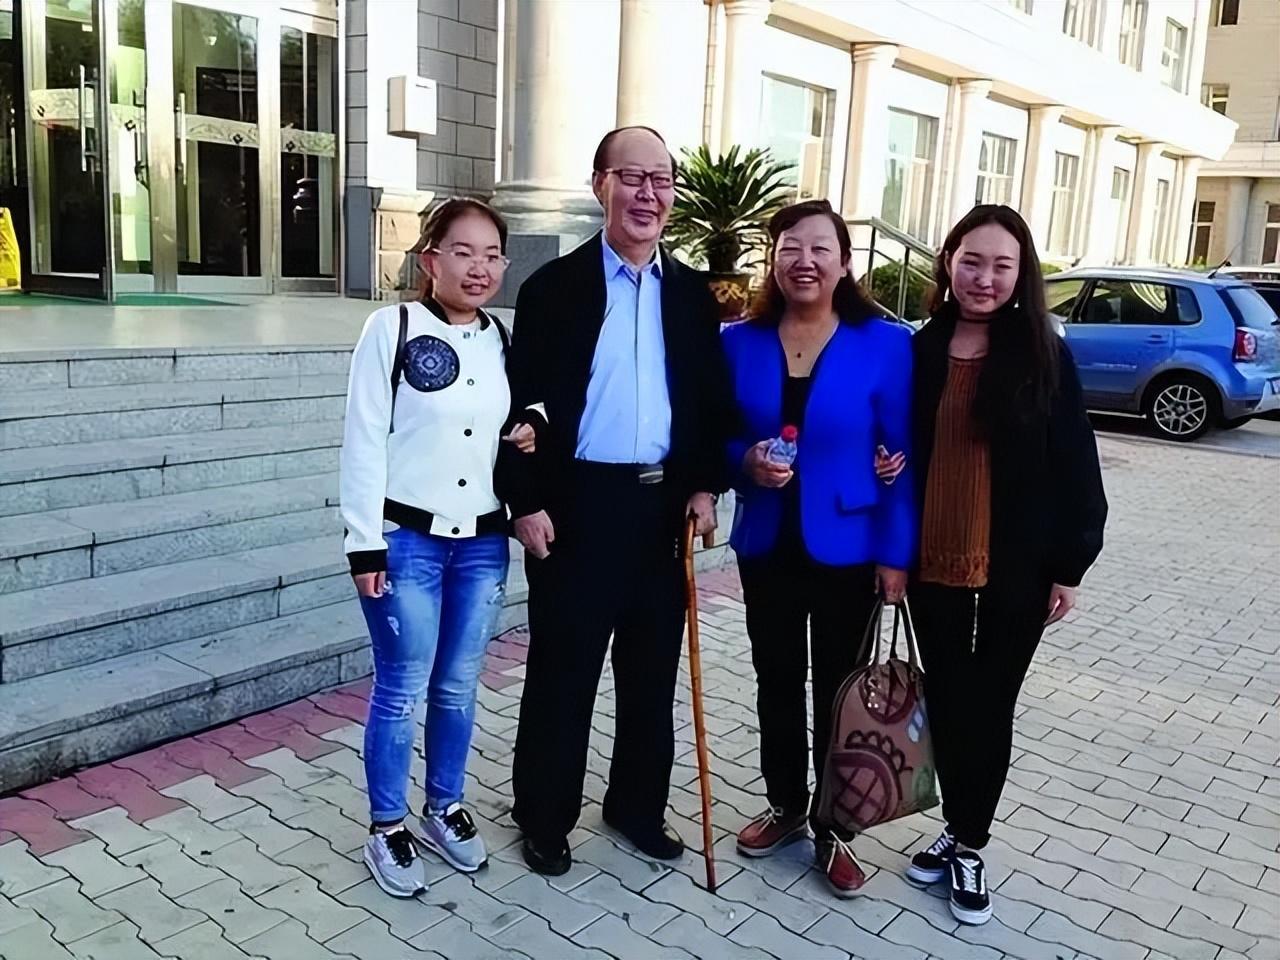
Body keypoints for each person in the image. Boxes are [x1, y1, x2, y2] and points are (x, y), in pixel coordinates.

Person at [505, 126, 732, 877]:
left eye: (661, 180)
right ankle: (544, 815)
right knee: (562, 673)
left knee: (650, 675)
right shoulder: (553, 288)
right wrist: (524, 502)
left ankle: (635, 806)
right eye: (632, 177)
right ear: (599, 183)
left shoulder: (693, 296)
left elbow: (709, 405)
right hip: (577, 507)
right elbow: (517, 406)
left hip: (661, 509)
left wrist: (704, 485)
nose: (647, 194)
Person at [900, 205, 1107, 925]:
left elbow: (1076, 462)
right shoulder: (921, 349)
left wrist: (1071, 564)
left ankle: (969, 841)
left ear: (1022, 275)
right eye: (971, 261)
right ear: (948, 262)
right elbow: (898, 448)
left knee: (991, 705)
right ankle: (957, 824)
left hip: (1018, 568)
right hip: (932, 563)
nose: (984, 278)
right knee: (948, 698)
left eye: (1001, 265)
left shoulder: (1044, 354)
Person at [339, 198, 535, 898]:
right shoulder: (390, 328)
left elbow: (524, 412)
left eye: (492, 255)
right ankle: (387, 824)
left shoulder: (500, 338)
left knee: (457, 685)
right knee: (401, 687)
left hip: (482, 543)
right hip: (406, 543)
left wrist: (532, 424)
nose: (479, 268)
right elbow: (364, 439)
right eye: (463, 251)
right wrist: (364, 545)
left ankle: (444, 805)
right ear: (430, 259)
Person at [722, 200, 916, 898]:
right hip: (767, 541)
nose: (804, 261)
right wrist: (744, 461)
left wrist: (896, 555)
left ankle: (837, 826)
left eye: (819, 249)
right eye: (789, 249)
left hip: (850, 545)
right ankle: (784, 803)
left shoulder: (885, 343)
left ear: (844, 262)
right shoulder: (738, 340)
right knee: (775, 677)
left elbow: (904, 456)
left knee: (840, 690)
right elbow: (718, 434)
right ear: (773, 260)